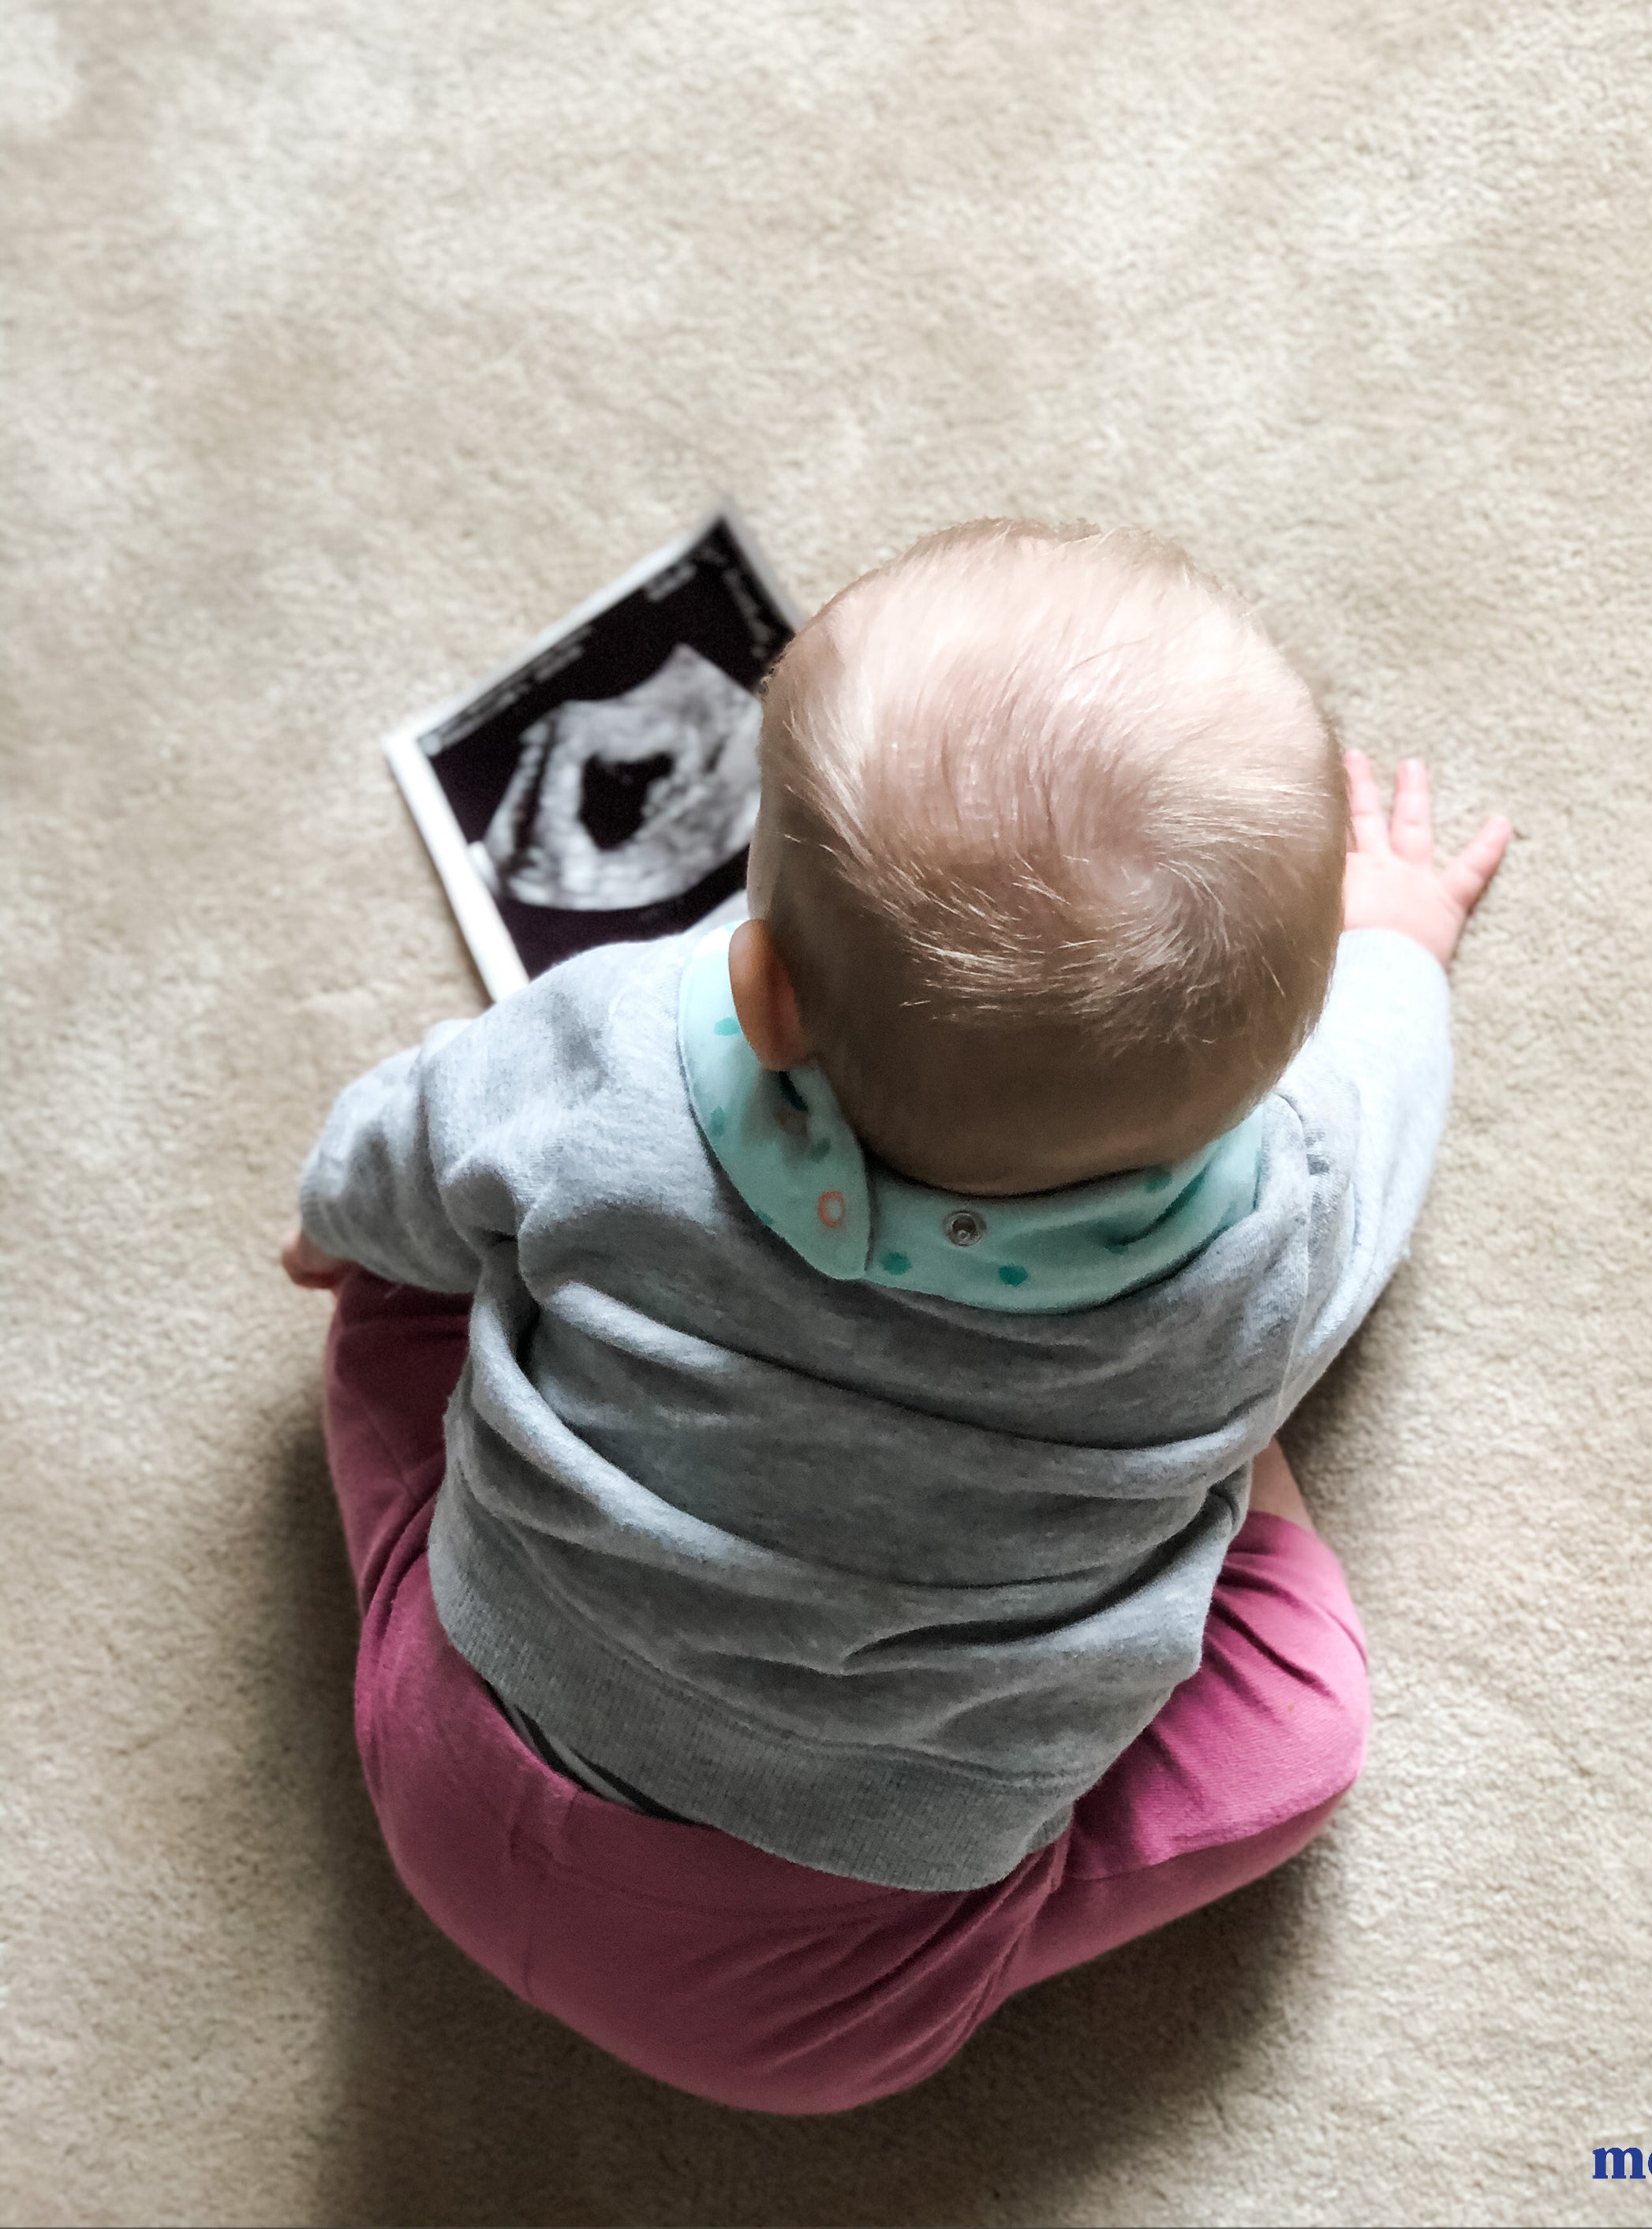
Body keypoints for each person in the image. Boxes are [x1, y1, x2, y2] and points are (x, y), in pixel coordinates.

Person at [283, 520, 1511, 2112]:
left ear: (765, 990)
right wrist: (1399, 951)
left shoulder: (620, 1048)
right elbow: (1385, 1098)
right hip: (807, 2002)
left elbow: (411, 1132)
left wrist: (336, 1220)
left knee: (401, 1289)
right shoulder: (1276, 1232)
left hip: (446, 1748)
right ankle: (1223, 1449)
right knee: (1300, 1736)